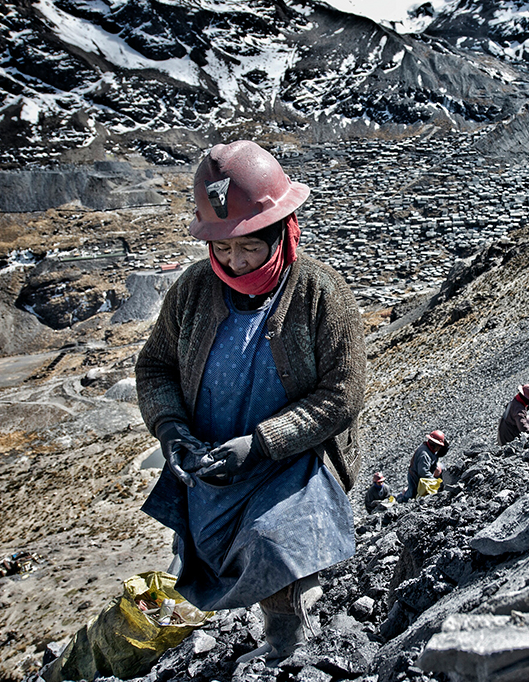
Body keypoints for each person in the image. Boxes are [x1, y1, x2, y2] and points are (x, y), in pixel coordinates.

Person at [135, 140, 367, 661]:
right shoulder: (194, 289)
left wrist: (262, 443)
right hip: (214, 461)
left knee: (271, 544)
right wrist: (171, 429)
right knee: (215, 552)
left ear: (283, 231)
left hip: (292, 459)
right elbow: (155, 367)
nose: (235, 263)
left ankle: (289, 645)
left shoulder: (320, 293)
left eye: (250, 248)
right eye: (222, 249)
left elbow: (343, 391)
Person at [397, 430, 446, 502]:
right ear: (434, 444)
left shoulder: (430, 449)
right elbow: (423, 472)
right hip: (415, 476)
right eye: (439, 446)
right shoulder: (424, 454)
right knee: (412, 494)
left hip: (420, 475)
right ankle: (400, 500)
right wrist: (435, 482)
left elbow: (438, 456)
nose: (439, 448)